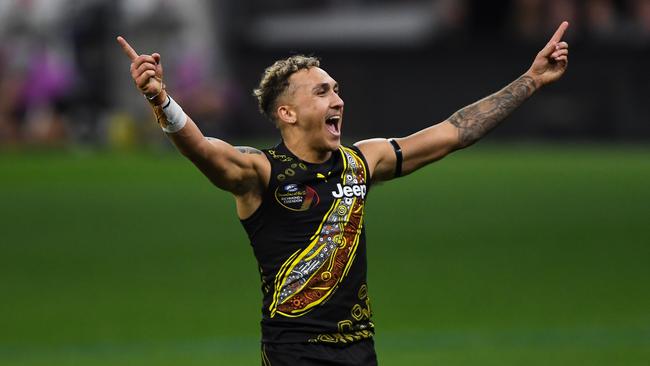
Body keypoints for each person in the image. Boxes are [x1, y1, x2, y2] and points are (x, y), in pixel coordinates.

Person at [117, 20, 569, 366]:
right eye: (322, 92)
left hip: (359, 349)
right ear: (288, 112)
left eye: (336, 90)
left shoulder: (361, 161)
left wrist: (530, 79)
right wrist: (161, 100)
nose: (338, 100)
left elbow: (453, 133)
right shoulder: (261, 172)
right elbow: (202, 149)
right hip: (294, 352)